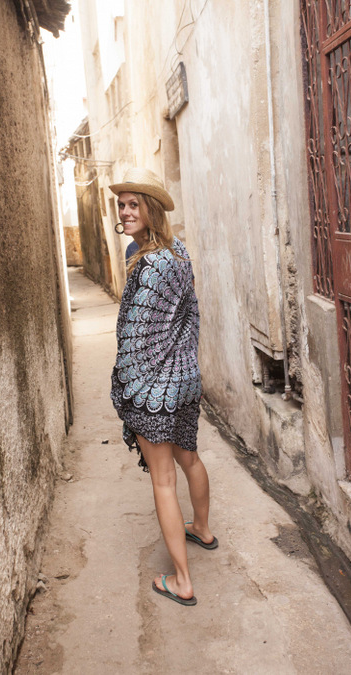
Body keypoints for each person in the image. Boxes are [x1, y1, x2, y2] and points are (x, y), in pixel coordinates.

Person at [109, 168, 218, 606]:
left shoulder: (149, 263)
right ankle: (203, 530)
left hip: (155, 388)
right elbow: (188, 313)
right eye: (121, 204)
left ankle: (182, 581)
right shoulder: (178, 253)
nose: (126, 210)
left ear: (152, 210)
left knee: (163, 481)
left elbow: (136, 335)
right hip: (185, 379)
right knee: (189, 459)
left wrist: (125, 381)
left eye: (135, 204)